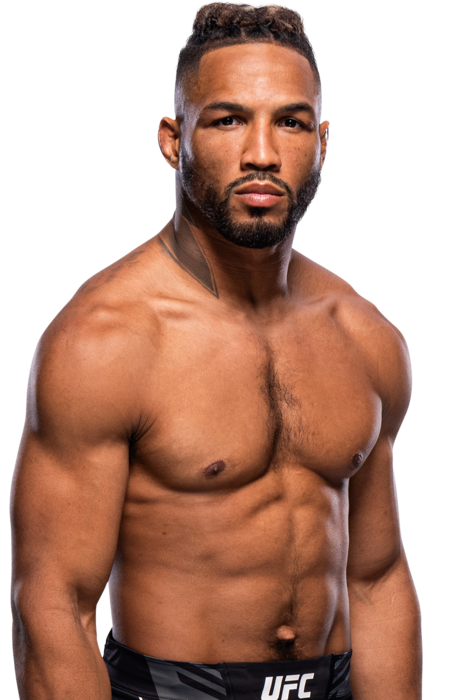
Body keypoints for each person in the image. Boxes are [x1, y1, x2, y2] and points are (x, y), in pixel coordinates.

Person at [10, 2, 422, 699]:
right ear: (174, 141)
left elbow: (376, 578)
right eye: (228, 120)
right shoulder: (106, 341)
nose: (262, 154)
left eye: (290, 122)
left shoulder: (363, 336)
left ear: (322, 142)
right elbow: (54, 605)